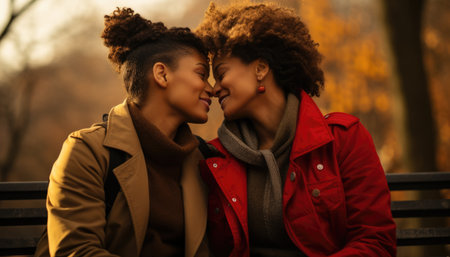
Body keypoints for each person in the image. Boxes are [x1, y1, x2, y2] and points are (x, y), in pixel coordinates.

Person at [195, 3, 396, 257]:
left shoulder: (344, 138)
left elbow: (375, 240)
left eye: (221, 73)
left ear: (260, 68)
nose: (214, 88)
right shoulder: (214, 159)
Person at [34, 7, 213, 257]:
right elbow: (76, 251)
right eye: (201, 74)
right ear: (162, 74)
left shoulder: (203, 159)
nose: (211, 88)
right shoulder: (88, 151)